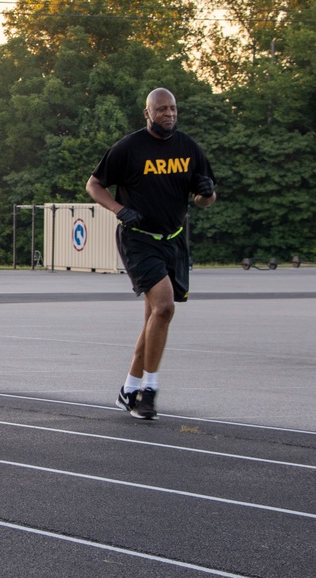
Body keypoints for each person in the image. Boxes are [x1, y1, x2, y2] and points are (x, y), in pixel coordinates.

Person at [86, 87, 217, 420]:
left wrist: (205, 195)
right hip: (138, 238)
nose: (169, 114)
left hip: (173, 240)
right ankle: (149, 391)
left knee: (153, 319)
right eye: (161, 109)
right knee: (164, 306)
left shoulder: (189, 148)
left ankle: (129, 388)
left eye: (173, 108)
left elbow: (204, 198)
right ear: (148, 113)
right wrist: (119, 209)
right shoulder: (129, 148)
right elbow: (94, 185)